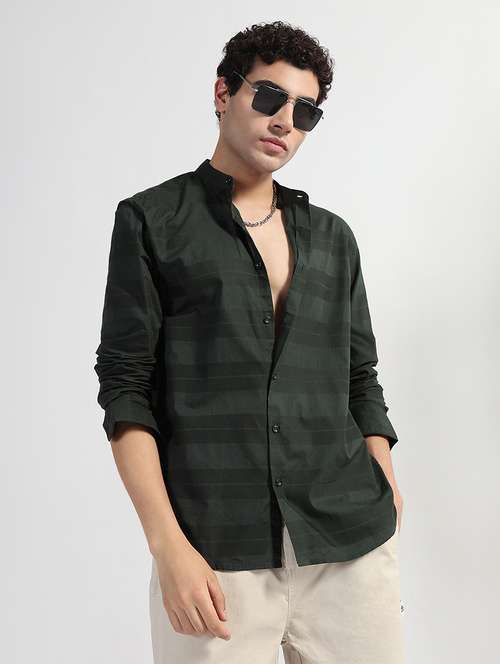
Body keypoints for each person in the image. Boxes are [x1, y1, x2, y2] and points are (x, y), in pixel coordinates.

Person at [94, 20, 406, 664]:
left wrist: (384, 474)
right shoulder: (153, 221)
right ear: (223, 93)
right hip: (215, 553)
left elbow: (360, 375)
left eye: (306, 111)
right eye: (269, 96)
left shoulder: (333, 237)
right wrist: (168, 547)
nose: (285, 121)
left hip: (348, 544)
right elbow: (126, 390)